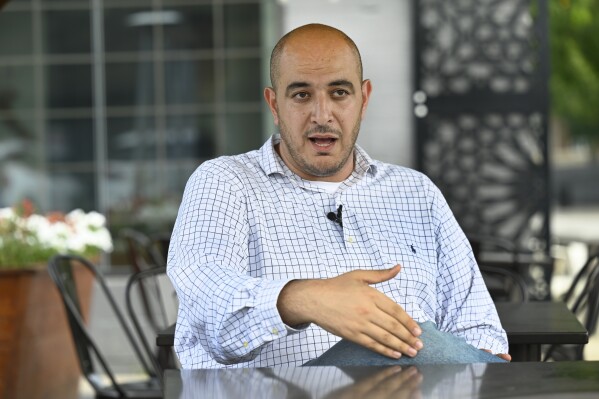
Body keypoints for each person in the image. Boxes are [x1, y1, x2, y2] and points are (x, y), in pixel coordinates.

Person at [167, 23, 510, 369]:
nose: (321, 115)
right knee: (417, 344)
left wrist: (469, 359)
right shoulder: (225, 182)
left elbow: (478, 328)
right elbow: (209, 311)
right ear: (274, 104)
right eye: (301, 95)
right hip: (274, 393)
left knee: (430, 348)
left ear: (364, 98)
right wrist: (304, 299)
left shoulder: (418, 192)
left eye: (339, 93)